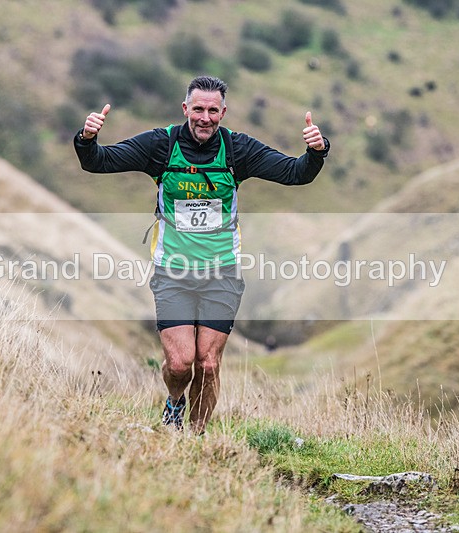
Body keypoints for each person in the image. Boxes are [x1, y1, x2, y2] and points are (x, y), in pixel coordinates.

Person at [74, 76, 329, 434]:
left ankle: (195, 437)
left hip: (221, 272)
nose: (205, 118)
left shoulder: (237, 150)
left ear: (223, 112)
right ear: (185, 110)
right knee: (180, 364)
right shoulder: (160, 146)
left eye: (213, 110)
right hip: (172, 272)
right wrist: (87, 140)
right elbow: (98, 162)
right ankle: (175, 401)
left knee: (208, 364)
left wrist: (316, 152)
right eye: (198, 109)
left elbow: (294, 173)